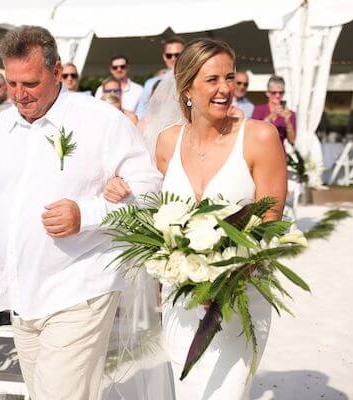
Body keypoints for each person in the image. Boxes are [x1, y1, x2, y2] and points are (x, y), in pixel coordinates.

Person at [0, 25, 160, 400]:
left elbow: (150, 193)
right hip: (21, 296)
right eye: (13, 83)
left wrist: (85, 215)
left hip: (82, 287)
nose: (19, 95)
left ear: (57, 73)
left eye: (31, 84)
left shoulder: (101, 121)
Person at [103, 38, 287, 400]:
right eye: (212, 80)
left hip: (238, 297)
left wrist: (224, 278)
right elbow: (156, 211)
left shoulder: (259, 138)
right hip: (180, 299)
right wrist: (120, 189)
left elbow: (271, 220)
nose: (224, 89)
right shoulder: (167, 142)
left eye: (229, 78)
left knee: (226, 392)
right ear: (187, 87)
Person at [136, 36, 185, 119]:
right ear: (164, 56)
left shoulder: (193, 79)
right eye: (169, 55)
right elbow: (141, 111)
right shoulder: (151, 83)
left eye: (177, 55)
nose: (173, 59)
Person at [252, 75, 296, 145]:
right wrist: (272, 115)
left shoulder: (290, 113)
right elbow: (255, 133)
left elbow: (292, 140)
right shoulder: (259, 110)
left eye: (281, 92)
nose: (277, 96)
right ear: (267, 93)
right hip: (262, 152)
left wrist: (288, 122)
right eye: (274, 93)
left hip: (280, 153)